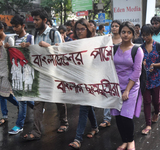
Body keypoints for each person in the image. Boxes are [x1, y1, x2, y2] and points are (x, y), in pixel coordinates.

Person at [22, 9, 68, 141]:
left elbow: (62, 53)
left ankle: (64, 122)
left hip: (54, 73)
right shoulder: (35, 34)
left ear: (45, 20)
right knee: (38, 102)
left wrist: (49, 46)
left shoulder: (54, 33)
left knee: (58, 99)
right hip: (41, 73)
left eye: (37, 19)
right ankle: (36, 131)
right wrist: (29, 47)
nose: (34, 22)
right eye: (34, 19)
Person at [111, 21, 143, 150]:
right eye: (123, 32)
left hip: (131, 86)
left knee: (126, 116)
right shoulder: (114, 48)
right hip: (116, 87)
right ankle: (124, 140)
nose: (125, 34)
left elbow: (136, 72)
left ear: (133, 34)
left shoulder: (137, 50)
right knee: (118, 115)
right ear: (120, 33)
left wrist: (127, 91)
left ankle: (131, 141)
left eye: (129, 32)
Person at [69, 18, 98, 149]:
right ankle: (95, 127)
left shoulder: (94, 43)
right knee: (87, 105)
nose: (80, 31)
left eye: (82, 29)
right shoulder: (73, 43)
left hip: (91, 80)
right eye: (77, 29)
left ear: (88, 29)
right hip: (79, 80)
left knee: (84, 107)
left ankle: (78, 138)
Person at [6, 14, 35, 134]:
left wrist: (28, 46)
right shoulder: (13, 39)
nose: (14, 29)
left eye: (16, 26)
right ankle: (37, 107)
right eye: (13, 27)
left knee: (22, 99)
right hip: (17, 71)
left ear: (23, 26)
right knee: (24, 97)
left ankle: (19, 125)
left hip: (27, 71)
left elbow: (35, 52)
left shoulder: (30, 38)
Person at [0, 21, 19, 128]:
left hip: (6, 69)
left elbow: (13, 56)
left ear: (2, 29)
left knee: (6, 93)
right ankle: (4, 115)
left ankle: (22, 105)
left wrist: (8, 48)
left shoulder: (9, 39)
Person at [140, 24, 160, 135]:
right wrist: (142, 64)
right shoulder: (140, 48)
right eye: (144, 36)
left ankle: (156, 112)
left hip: (156, 78)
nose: (145, 38)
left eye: (148, 35)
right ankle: (148, 124)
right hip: (145, 80)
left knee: (156, 100)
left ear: (152, 34)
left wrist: (154, 65)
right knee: (146, 102)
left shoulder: (159, 46)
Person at [99, 20, 122, 129]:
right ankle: (106, 118)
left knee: (120, 92)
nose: (114, 28)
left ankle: (122, 115)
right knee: (107, 92)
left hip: (121, 70)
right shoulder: (107, 39)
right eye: (112, 26)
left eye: (116, 26)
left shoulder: (124, 39)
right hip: (108, 69)